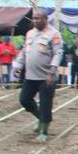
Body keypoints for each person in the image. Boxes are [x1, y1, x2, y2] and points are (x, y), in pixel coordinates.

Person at [13, 8, 63, 142]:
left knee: (46, 104)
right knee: (24, 100)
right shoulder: (30, 33)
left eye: (38, 18)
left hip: (46, 77)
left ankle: (44, 132)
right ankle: (40, 118)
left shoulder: (54, 34)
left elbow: (58, 53)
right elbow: (24, 52)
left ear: (45, 19)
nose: (34, 21)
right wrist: (17, 65)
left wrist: (52, 71)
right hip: (30, 76)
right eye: (33, 18)